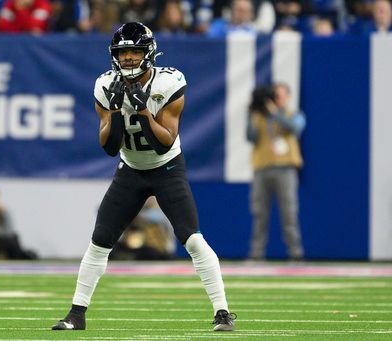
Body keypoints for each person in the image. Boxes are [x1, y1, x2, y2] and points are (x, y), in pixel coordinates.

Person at [52, 22, 235, 332]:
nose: (128, 58)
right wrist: (114, 112)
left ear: (149, 53)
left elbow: (164, 140)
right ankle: (76, 314)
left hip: (167, 168)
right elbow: (109, 146)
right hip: (130, 169)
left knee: (191, 237)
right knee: (100, 240)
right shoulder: (104, 85)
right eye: (123, 53)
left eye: (135, 51)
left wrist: (142, 112)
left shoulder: (169, 82)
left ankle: (222, 312)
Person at [246, 83, 305, 261]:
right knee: (259, 213)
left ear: (287, 97)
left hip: (285, 169)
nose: (274, 100)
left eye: (278, 96)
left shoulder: (293, 114)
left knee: (289, 212)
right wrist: (251, 113)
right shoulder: (258, 115)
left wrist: (275, 113)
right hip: (262, 169)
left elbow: (295, 129)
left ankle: (295, 253)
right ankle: (256, 254)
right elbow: (250, 137)